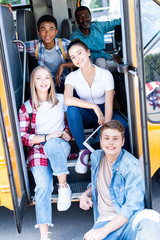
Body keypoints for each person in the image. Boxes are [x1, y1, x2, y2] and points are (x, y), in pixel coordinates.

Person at [80, 120, 160, 240]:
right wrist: (85, 194)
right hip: (103, 222)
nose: (111, 142)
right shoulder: (96, 156)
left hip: (126, 222)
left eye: (115, 138)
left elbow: (133, 207)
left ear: (122, 142)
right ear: (101, 142)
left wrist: (103, 231)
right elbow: (98, 183)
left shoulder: (131, 166)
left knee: (151, 216)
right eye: (107, 138)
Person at [18, 66, 72, 240]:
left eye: (46, 78)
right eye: (38, 78)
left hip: (60, 146)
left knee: (53, 144)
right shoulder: (27, 108)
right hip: (38, 149)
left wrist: (67, 133)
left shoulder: (61, 100)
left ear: (52, 81)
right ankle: (44, 235)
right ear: (33, 82)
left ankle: (63, 187)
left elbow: (70, 122)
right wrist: (46, 137)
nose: (43, 82)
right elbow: (23, 136)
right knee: (43, 185)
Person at [64, 39, 129, 175]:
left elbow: (109, 105)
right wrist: (93, 106)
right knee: (72, 110)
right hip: (87, 113)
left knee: (123, 124)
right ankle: (83, 151)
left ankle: (123, 160)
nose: (77, 59)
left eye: (79, 53)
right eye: (73, 57)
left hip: (105, 110)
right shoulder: (71, 77)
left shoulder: (105, 75)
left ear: (88, 53)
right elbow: (67, 99)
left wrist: (105, 126)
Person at [18, 14, 74, 93]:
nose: (47, 34)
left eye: (51, 29)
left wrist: (63, 65)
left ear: (56, 32)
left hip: (64, 80)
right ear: (38, 32)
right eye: (43, 30)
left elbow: (83, 60)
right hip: (45, 83)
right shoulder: (35, 45)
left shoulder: (65, 44)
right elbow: (13, 46)